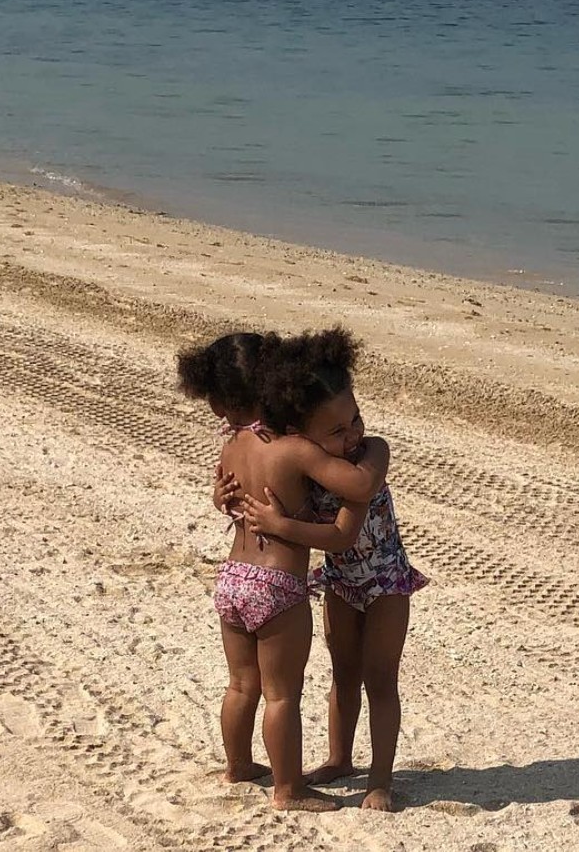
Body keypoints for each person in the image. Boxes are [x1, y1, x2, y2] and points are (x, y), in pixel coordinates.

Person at [178, 330, 387, 811]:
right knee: (280, 695)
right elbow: (357, 483)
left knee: (240, 685)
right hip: (275, 585)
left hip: (232, 579)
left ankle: (237, 766)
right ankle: (288, 790)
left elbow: (225, 497)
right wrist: (375, 450)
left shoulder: (233, 445)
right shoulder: (293, 448)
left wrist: (219, 499)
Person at [237, 327, 427, 813]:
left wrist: (280, 524)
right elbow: (259, 472)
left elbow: (342, 534)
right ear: (304, 436)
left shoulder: (371, 457)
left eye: (355, 418)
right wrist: (227, 498)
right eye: (337, 431)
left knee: (380, 679)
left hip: (386, 583)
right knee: (342, 675)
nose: (353, 434)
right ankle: (340, 758)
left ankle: (380, 779)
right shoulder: (312, 465)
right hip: (342, 583)